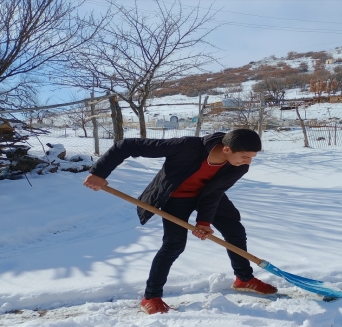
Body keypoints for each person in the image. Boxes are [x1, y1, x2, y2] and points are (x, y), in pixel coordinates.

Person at [83, 129, 277, 314]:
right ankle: (151, 297)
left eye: (251, 157)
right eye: (245, 156)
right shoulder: (187, 146)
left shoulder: (239, 166)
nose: (248, 162)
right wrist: (99, 173)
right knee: (174, 244)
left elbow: (215, 191)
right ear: (227, 149)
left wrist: (203, 222)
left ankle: (244, 279)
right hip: (175, 198)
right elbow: (127, 145)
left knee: (235, 231)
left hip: (207, 195)